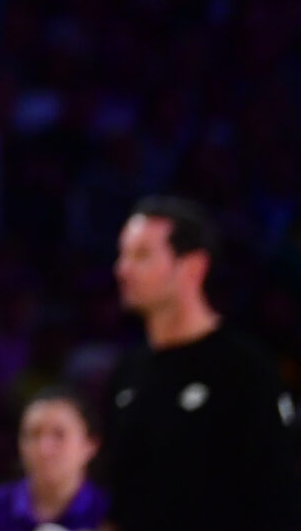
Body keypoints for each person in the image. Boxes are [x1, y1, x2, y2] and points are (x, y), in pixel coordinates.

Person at [101, 196, 300, 531]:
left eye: (141, 256)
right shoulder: (127, 372)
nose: (122, 269)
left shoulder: (244, 369)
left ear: (192, 267)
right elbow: (121, 503)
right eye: (122, 255)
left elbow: (275, 499)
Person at [0, 388, 106, 531]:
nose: (44, 449)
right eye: (34, 434)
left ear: (90, 444)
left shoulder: (109, 513)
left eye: (59, 434)